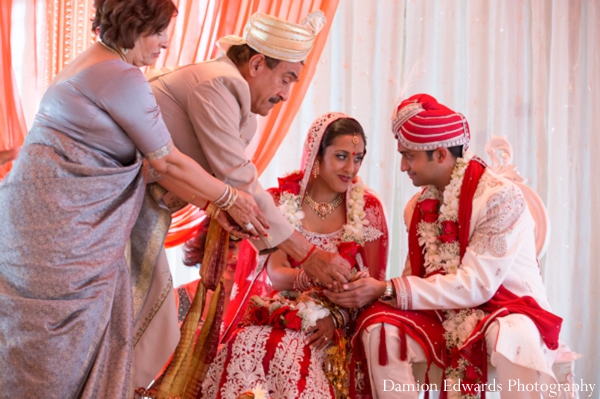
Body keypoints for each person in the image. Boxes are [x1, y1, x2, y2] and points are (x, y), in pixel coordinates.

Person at [0, 0, 268, 397]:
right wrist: (231, 197)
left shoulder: (90, 61)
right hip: (60, 242)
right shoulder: (121, 77)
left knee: (31, 347)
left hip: (32, 227)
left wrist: (215, 203)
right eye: (159, 31)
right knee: (57, 358)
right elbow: (169, 161)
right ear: (134, 24)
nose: (165, 43)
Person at [324, 94, 564, 398]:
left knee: (514, 337)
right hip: (444, 310)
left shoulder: (499, 198)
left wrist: (386, 289)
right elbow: (417, 276)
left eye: (408, 156)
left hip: (507, 306)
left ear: (439, 155)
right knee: (379, 328)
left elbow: (477, 285)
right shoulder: (417, 205)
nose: (402, 167)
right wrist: (369, 292)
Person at [149, 11, 354, 289]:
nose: (285, 95)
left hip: (143, 215)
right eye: (286, 79)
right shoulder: (219, 82)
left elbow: (226, 191)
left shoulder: (244, 113)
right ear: (256, 64)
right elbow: (238, 181)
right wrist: (309, 256)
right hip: (114, 205)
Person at [200, 113, 389, 399]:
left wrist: (334, 318)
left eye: (358, 158)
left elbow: (370, 287)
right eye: (341, 156)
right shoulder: (280, 201)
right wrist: (312, 276)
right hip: (284, 311)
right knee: (246, 341)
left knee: (294, 348)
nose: (351, 168)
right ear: (317, 153)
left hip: (337, 324)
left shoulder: (367, 209)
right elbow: (277, 275)